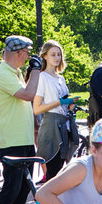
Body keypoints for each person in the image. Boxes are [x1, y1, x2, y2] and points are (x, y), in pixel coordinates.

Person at [0, 35, 42, 204]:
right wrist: (35, 71)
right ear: (19, 53)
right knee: (11, 187)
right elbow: (28, 95)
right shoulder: (2, 73)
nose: (28, 56)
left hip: (23, 138)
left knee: (23, 189)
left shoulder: (15, 72)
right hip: (11, 140)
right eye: (27, 53)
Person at [33, 40, 78, 182]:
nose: (57, 57)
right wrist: (60, 102)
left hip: (64, 124)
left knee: (61, 170)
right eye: (53, 54)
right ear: (45, 56)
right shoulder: (42, 77)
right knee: (53, 172)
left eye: (59, 54)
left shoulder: (61, 78)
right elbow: (36, 109)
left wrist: (70, 105)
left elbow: (62, 103)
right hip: (51, 126)